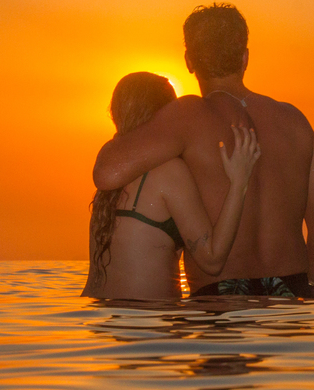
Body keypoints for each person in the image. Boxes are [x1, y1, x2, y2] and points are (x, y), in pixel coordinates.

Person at [93, 3, 314, 299]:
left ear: (189, 61)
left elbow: (106, 174)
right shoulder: (295, 121)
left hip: (222, 297)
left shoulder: (188, 115)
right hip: (292, 293)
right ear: (245, 58)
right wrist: (313, 284)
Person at [82, 72, 261, 300]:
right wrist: (239, 181)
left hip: (98, 315)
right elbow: (212, 261)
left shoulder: (112, 176)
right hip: (149, 318)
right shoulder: (169, 172)